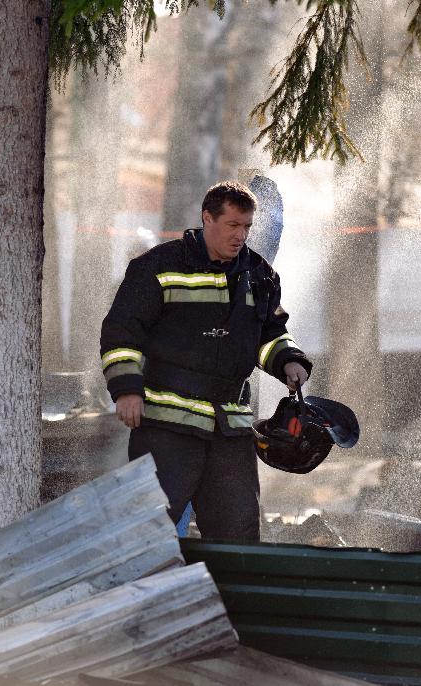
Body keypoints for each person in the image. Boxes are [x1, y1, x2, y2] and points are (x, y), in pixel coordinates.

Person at [100, 181, 311, 541]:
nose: (241, 236)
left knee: (239, 535)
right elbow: (121, 333)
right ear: (207, 218)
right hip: (167, 427)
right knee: (150, 534)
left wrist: (287, 360)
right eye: (232, 225)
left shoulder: (259, 276)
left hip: (229, 430)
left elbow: (271, 332)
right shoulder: (158, 267)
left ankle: (233, 599)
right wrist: (126, 390)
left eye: (246, 227)